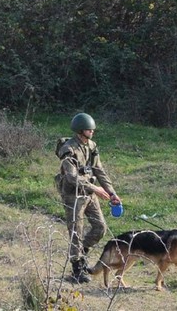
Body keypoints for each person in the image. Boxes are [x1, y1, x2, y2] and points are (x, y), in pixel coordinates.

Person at [56, 112, 122, 284]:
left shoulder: (91, 146)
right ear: (80, 131)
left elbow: (99, 170)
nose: (92, 132)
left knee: (100, 227)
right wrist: (96, 189)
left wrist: (111, 192)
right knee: (76, 232)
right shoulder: (68, 149)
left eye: (92, 129)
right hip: (73, 195)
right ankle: (77, 269)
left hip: (90, 194)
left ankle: (81, 254)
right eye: (88, 129)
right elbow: (71, 177)